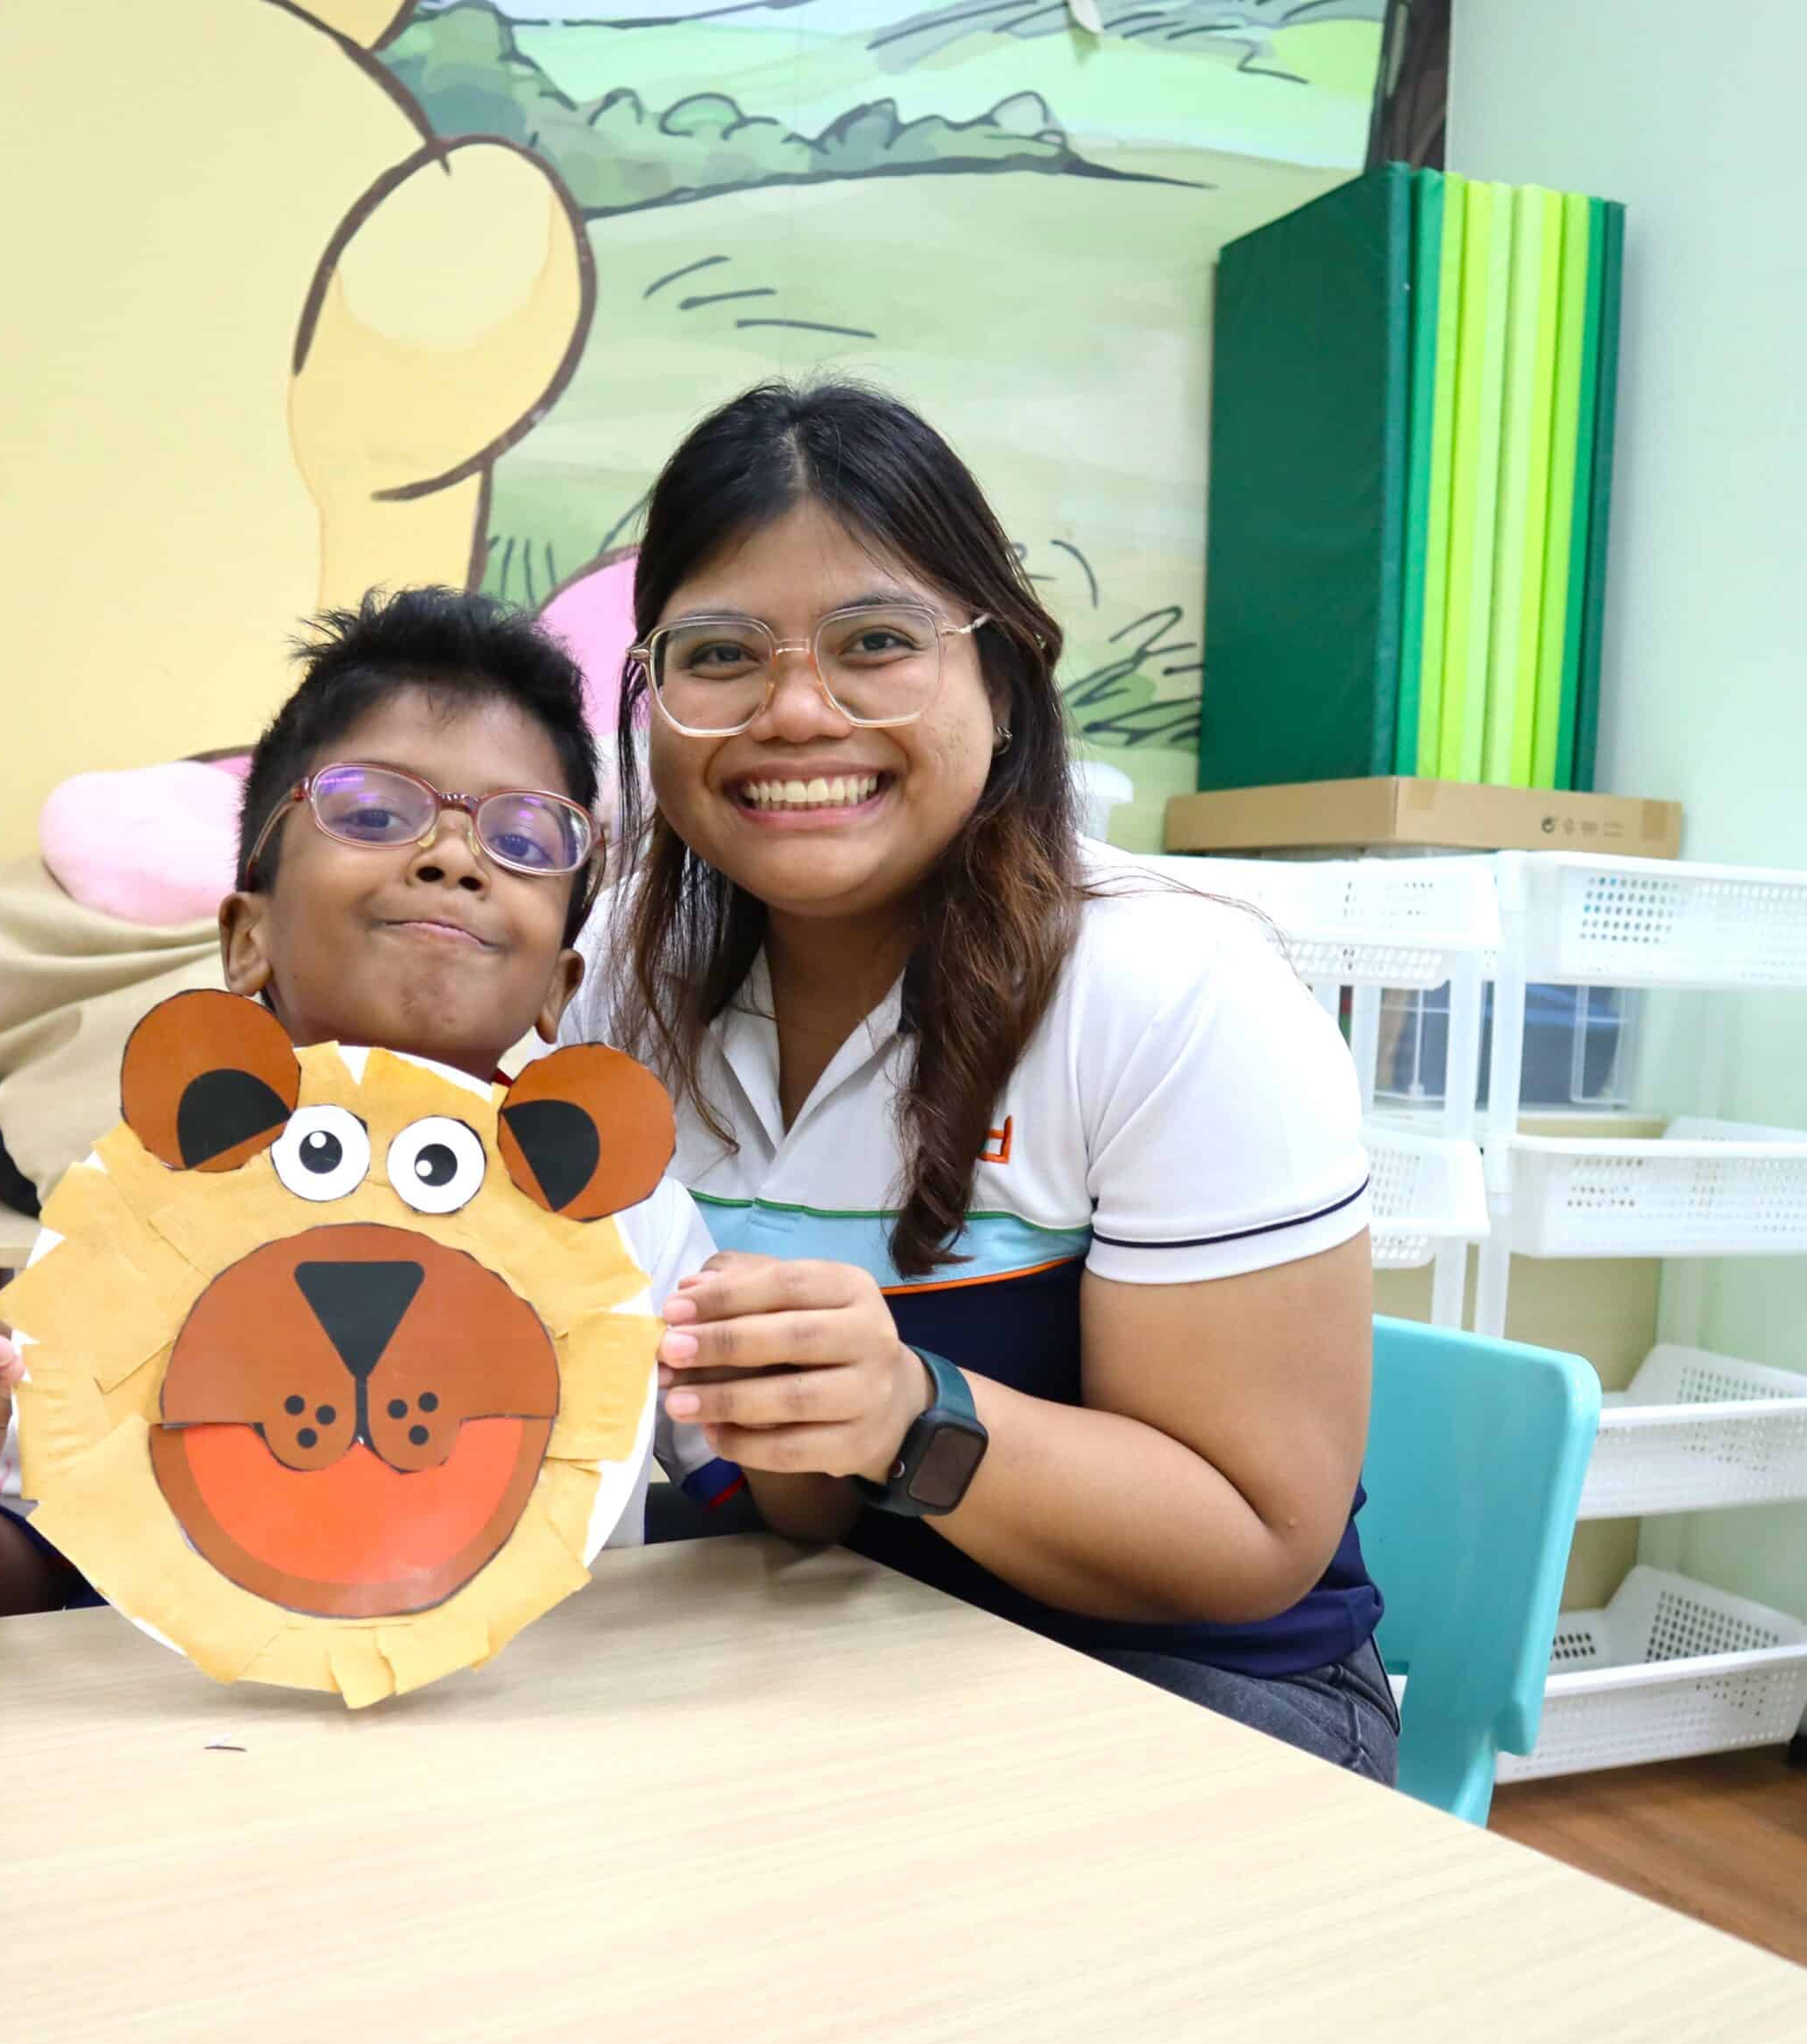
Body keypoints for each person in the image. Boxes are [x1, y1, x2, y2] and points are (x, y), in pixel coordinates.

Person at [591, 381, 1393, 1780]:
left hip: (1192, 1692)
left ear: (1005, 681)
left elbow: (1258, 1541)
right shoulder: (614, 984)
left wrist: (912, 1415)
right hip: (816, 1649)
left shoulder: (1172, 991)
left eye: (878, 641)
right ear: (655, 704)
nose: (796, 711)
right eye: (718, 653)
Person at [0, 588, 737, 1618]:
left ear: (562, 986)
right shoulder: (137, 1210)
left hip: (535, 1759)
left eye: (525, 838)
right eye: (375, 812)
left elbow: (766, 1514)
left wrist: (813, 1392)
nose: (452, 857)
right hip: (215, 1762)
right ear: (246, 937)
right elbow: (38, 1607)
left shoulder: (627, 1215)